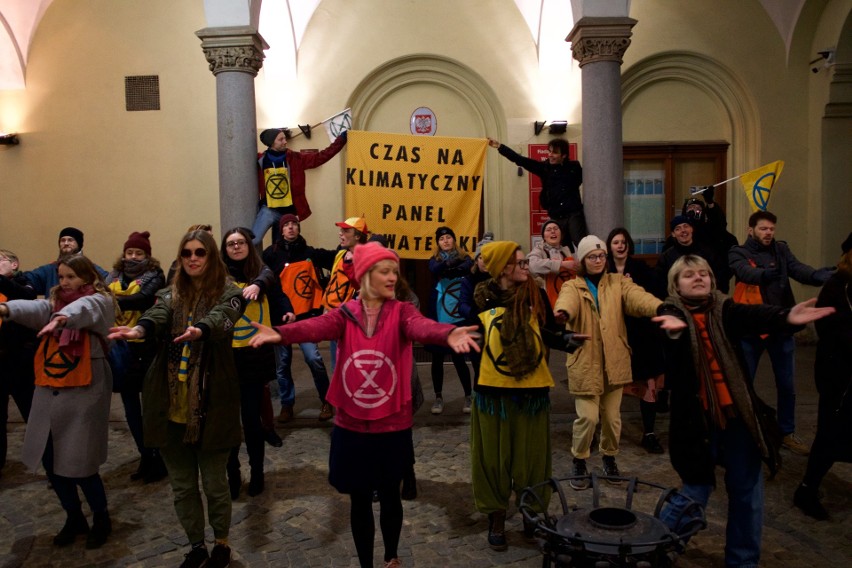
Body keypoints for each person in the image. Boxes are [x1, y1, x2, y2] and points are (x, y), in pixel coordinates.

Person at [248, 241, 480, 568]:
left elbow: (421, 327)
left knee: (389, 495)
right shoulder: (346, 314)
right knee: (359, 500)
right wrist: (280, 334)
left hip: (391, 423)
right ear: (365, 275)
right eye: (384, 271)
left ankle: (391, 555)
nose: (391, 277)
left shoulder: (402, 312)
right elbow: (315, 326)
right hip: (352, 424)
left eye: (394, 272)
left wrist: (446, 334)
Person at [657, 255, 833, 567]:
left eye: (704, 273)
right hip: (696, 423)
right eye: (688, 275)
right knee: (696, 491)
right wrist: (673, 333)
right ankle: (653, 546)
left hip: (738, 416)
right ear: (675, 285)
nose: (698, 278)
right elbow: (672, 355)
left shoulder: (725, 309)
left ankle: (743, 562)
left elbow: (753, 315)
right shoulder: (670, 312)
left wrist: (785, 315)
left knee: (747, 492)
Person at [108, 230, 246, 568]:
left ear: (212, 257)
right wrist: (139, 330)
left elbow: (223, 316)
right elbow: (157, 315)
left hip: (213, 402)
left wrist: (200, 329)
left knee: (215, 484)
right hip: (171, 404)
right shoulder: (170, 293)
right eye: (187, 253)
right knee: (183, 487)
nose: (193, 259)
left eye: (200, 252)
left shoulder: (230, 292)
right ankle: (196, 544)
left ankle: (222, 543)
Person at [470, 241, 587, 551]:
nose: (525, 267)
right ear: (502, 268)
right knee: (494, 460)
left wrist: (566, 339)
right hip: (492, 393)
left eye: (524, 262)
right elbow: (471, 339)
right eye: (519, 263)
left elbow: (545, 331)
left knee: (531, 459)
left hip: (531, 390)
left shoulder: (534, 293)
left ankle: (530, 513)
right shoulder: (480, 298)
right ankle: (496, 516)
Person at [0, 255, 117, 549]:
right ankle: (73, 515)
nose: (64, 283)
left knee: (82, 461)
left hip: (85, 392)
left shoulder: (100, 302)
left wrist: (62, 319)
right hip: (50, 387)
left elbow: (84, 309)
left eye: (71, 277)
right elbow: (37, 308)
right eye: (61, 277)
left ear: (87, 278)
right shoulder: (54, 303)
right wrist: (5, 308)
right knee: (50, 458)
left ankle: (101, 518)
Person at [553, 235, 683, 489]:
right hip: (585, 363)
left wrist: (660, 309)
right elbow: (565, 302)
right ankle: (579, 460)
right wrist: (563, 313)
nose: (599, 260)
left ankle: (609, 458)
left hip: (614, 362)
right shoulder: (573, 286)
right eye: (592, 256)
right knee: (588, 419)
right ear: (583, 260)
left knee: (612, 419)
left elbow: (637, 297)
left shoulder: (617, 283)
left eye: (602, 256)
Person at [728, 210, 835, 455]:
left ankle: (786, 432)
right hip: (751, 330)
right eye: (763, 229)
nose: (768, 233)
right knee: (744, 385)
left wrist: (821, 276)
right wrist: (766, 274)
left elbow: (800, 269)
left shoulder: (781, 250)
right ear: (750, 230)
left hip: (781, 327)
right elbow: (745, 272)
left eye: (772, 229)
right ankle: (743, 431)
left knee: (787, 385)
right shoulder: (738, 252)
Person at [221, 227, 285, 499]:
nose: (236, 247)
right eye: (230, 244)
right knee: (228, 421)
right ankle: (232, 473)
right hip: (226, 354)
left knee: (251, 419)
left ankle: (257, 471)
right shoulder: (218, 277)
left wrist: (258, 284)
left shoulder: (262, 271)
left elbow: (268, 278)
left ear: (248, 245)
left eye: (240, 243)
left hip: (253, 353)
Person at [794, 232, 852, 520]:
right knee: (830, 434)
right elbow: (832, 329)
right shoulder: (836, 286)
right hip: (838, 376)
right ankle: (806, 489)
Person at [262, 213, 337, 423]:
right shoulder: (270, 255)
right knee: (282, 364)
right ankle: (287, 404)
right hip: (281, 317)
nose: (291, 228)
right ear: (281, 230)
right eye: (287, 225)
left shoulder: (309, 252)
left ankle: (326, 400)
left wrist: (350, 250)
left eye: (295, 224)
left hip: (305, 318)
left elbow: (335, 258)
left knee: (314, 359)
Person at [105, 231, 167, 483]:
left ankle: (159, 456)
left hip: (145, 346)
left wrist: (108, 299)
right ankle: (145, 454)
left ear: (147, 255)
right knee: (130, 407)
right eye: (129, 252)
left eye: (138, 253)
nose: (132, 257)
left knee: (151, 406)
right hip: (120, 348)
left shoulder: (155, 276)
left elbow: (141, 300)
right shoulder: (112, 276)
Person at [606, 228, 666, 453]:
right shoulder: (604, 269)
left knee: (647, 383)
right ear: (609, 247)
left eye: (623, 242)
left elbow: (654, 294)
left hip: (641, 333)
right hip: (615, 332)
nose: (620, 246)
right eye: (615, 242)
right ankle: (606, 432)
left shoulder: (640, 268)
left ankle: (649, 433)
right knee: (610, 385)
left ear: (629, 245)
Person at [251, 128, 348, 245]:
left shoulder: (296, 158)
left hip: (288, 213)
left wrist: (341, 140)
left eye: (284, 138)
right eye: (280, 139)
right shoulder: (260, 159)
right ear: (272, 143)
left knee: (280, 247)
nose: (285, 141)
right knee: (252, 240)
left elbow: (321, 156)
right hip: (268, 210)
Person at [487, 138, 587, 246]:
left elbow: (588, 180)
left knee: (581, 243)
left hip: (573, 214)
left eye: (555, 153)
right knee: (560, 247)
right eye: (549, 151)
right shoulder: (544, 168)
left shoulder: (574, 167)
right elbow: (521, 160)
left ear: (564, 155)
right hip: (556, 215)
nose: (550, 155)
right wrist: (500, 147)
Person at [427, 226, 474, 414]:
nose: (445, 241)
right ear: (438, 243)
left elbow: (465, 267)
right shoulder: (434, 259)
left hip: (457, 315)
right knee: (437, 357)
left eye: (448, 237)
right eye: (442, 239)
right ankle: (438, 397)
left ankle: (468, 396)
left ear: (454, 240)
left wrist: (449, 268)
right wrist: (449, 266)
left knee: (459, 357)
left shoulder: (466, 257)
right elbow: (435, 269)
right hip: (440, 315)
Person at [0, 249, 37, 477]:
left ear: (14, 264)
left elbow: (24, 297)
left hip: (20, 362)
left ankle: (52, 463)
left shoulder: (25, 282)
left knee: (33, 415)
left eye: (0, 259)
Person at [458, 232, 494, 387]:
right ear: (476, 260)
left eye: (489, 256)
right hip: (476, 329)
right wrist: (475, 314)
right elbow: (462, 305)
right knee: (479, 371)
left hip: (497, 330)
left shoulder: (501, 278)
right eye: (481, 257)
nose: (485, 261)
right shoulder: (469, 280)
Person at [657, 215, 729, 293]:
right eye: (678, 229)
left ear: (691, 229)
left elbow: (721, 277)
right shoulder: (666, 257)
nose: (683, 230)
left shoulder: (708, 253)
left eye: (686, 226)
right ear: (673, 234)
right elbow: (660, 283)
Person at [25, 227, 107, 295]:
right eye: (63, 240)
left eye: (70, 240)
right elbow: (29, 278)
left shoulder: (89, 268)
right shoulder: (49, 269)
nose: (66, 243)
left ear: (79, 244)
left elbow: (107, 281)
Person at [527, 219, 577, 307]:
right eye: (548, 230)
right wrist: (561, 264)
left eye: (556, 229)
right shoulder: (539, 250)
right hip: (546, 300)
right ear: (544, 236)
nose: (553, 231)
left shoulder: (566, 251)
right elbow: (532, 265)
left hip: (567, 298)